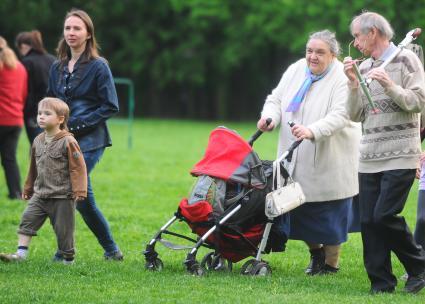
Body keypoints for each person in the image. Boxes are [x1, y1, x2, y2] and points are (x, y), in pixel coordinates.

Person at [257, 30, 360, 276]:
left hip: (331, 157)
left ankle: (330, 264)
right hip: (294, 156)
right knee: (295, 209)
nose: (312, 57)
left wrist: (312, 131)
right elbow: (276, 98)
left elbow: (341, 115)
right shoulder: (296, 69)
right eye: (309, 51)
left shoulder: (341, 77)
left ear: (333, 54)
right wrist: (269, 117)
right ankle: (316, 254)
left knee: (331, 215)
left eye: (319, 52)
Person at [343, 11, 425, 294]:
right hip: (369, 156)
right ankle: (381, 283)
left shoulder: (407, 60)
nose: (354, 43)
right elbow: (354, 114)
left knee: (384, 216)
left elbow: (418, 102)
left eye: (357, 36)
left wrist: (389, 85)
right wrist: (354, 83)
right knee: (368, 221)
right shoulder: (364, 67)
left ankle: (419, 267)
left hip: (401, 152)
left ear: (373, 33)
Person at [47, 9, 122, 260]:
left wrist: (76, 125)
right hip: (61, 141)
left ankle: (64, 253)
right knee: (83, 199)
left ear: (88, 33)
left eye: (77, 28)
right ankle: (112, 250)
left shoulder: (99, 66)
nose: (71, 33)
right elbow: (50, 101)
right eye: (68, 28)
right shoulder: (56, 67)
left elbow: (110, 105)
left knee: (70, 190)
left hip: (91, 141)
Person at [0, 97, 87, 264]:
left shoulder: (68, 141)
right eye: (40, 113)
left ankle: (68, 259)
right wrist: (27, 188)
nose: (41, 116)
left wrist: (80, 190)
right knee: (27, 220)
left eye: (47, 113)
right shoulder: (37, 141)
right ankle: (20, 255)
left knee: (64, 231)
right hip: (40, 195)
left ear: (60, 119)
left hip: (62, 196)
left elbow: (78, 167)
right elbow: (33, 167)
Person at [15, 30, 56, 145]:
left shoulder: (26, 62)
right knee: (51, 147)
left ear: (23, 46)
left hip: (35, 113)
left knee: (37, 148)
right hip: (55, 112)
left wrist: (24, 111)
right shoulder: (52, 59)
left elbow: (24, 90)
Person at [0, 36, 27, 199]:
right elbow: (23, 93)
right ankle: (16, 193)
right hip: (16, 119)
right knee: (9, 158)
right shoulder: (20, 68)